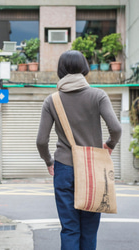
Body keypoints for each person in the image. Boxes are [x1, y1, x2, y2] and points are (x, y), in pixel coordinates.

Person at [36, 50, 122, 250]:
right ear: (84, 68)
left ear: (61, 70)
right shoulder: (98, 95)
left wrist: (49, 161)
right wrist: (109, 145)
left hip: (64, 168)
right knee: (89, 230)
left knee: (69, 228)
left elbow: (41, 140)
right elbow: (116, 129)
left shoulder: (52, 100)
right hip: (93, 170)